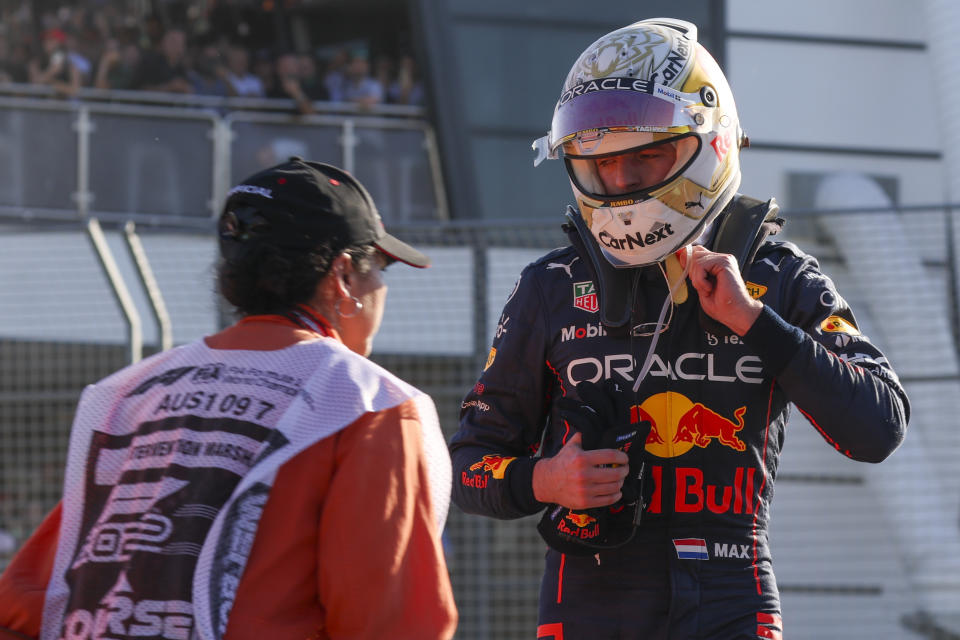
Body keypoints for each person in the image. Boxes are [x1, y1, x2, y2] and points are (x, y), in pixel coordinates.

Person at [449, 17, 909, 639]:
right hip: (588, 596)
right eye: (603, 162)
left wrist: (753, 321)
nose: (622, 181)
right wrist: (545, 478)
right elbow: (466, 466)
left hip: (732, 590)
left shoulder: (779, 274)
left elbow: (878, 427)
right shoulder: (550, 285)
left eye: (646, 155)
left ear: (711, 142)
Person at [0, 158, 458, 639]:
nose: (384, 288)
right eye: (381, 268)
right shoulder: (370, 403)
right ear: (344, 275)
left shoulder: (129, 392)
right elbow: (391, 623)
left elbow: (27, 605)